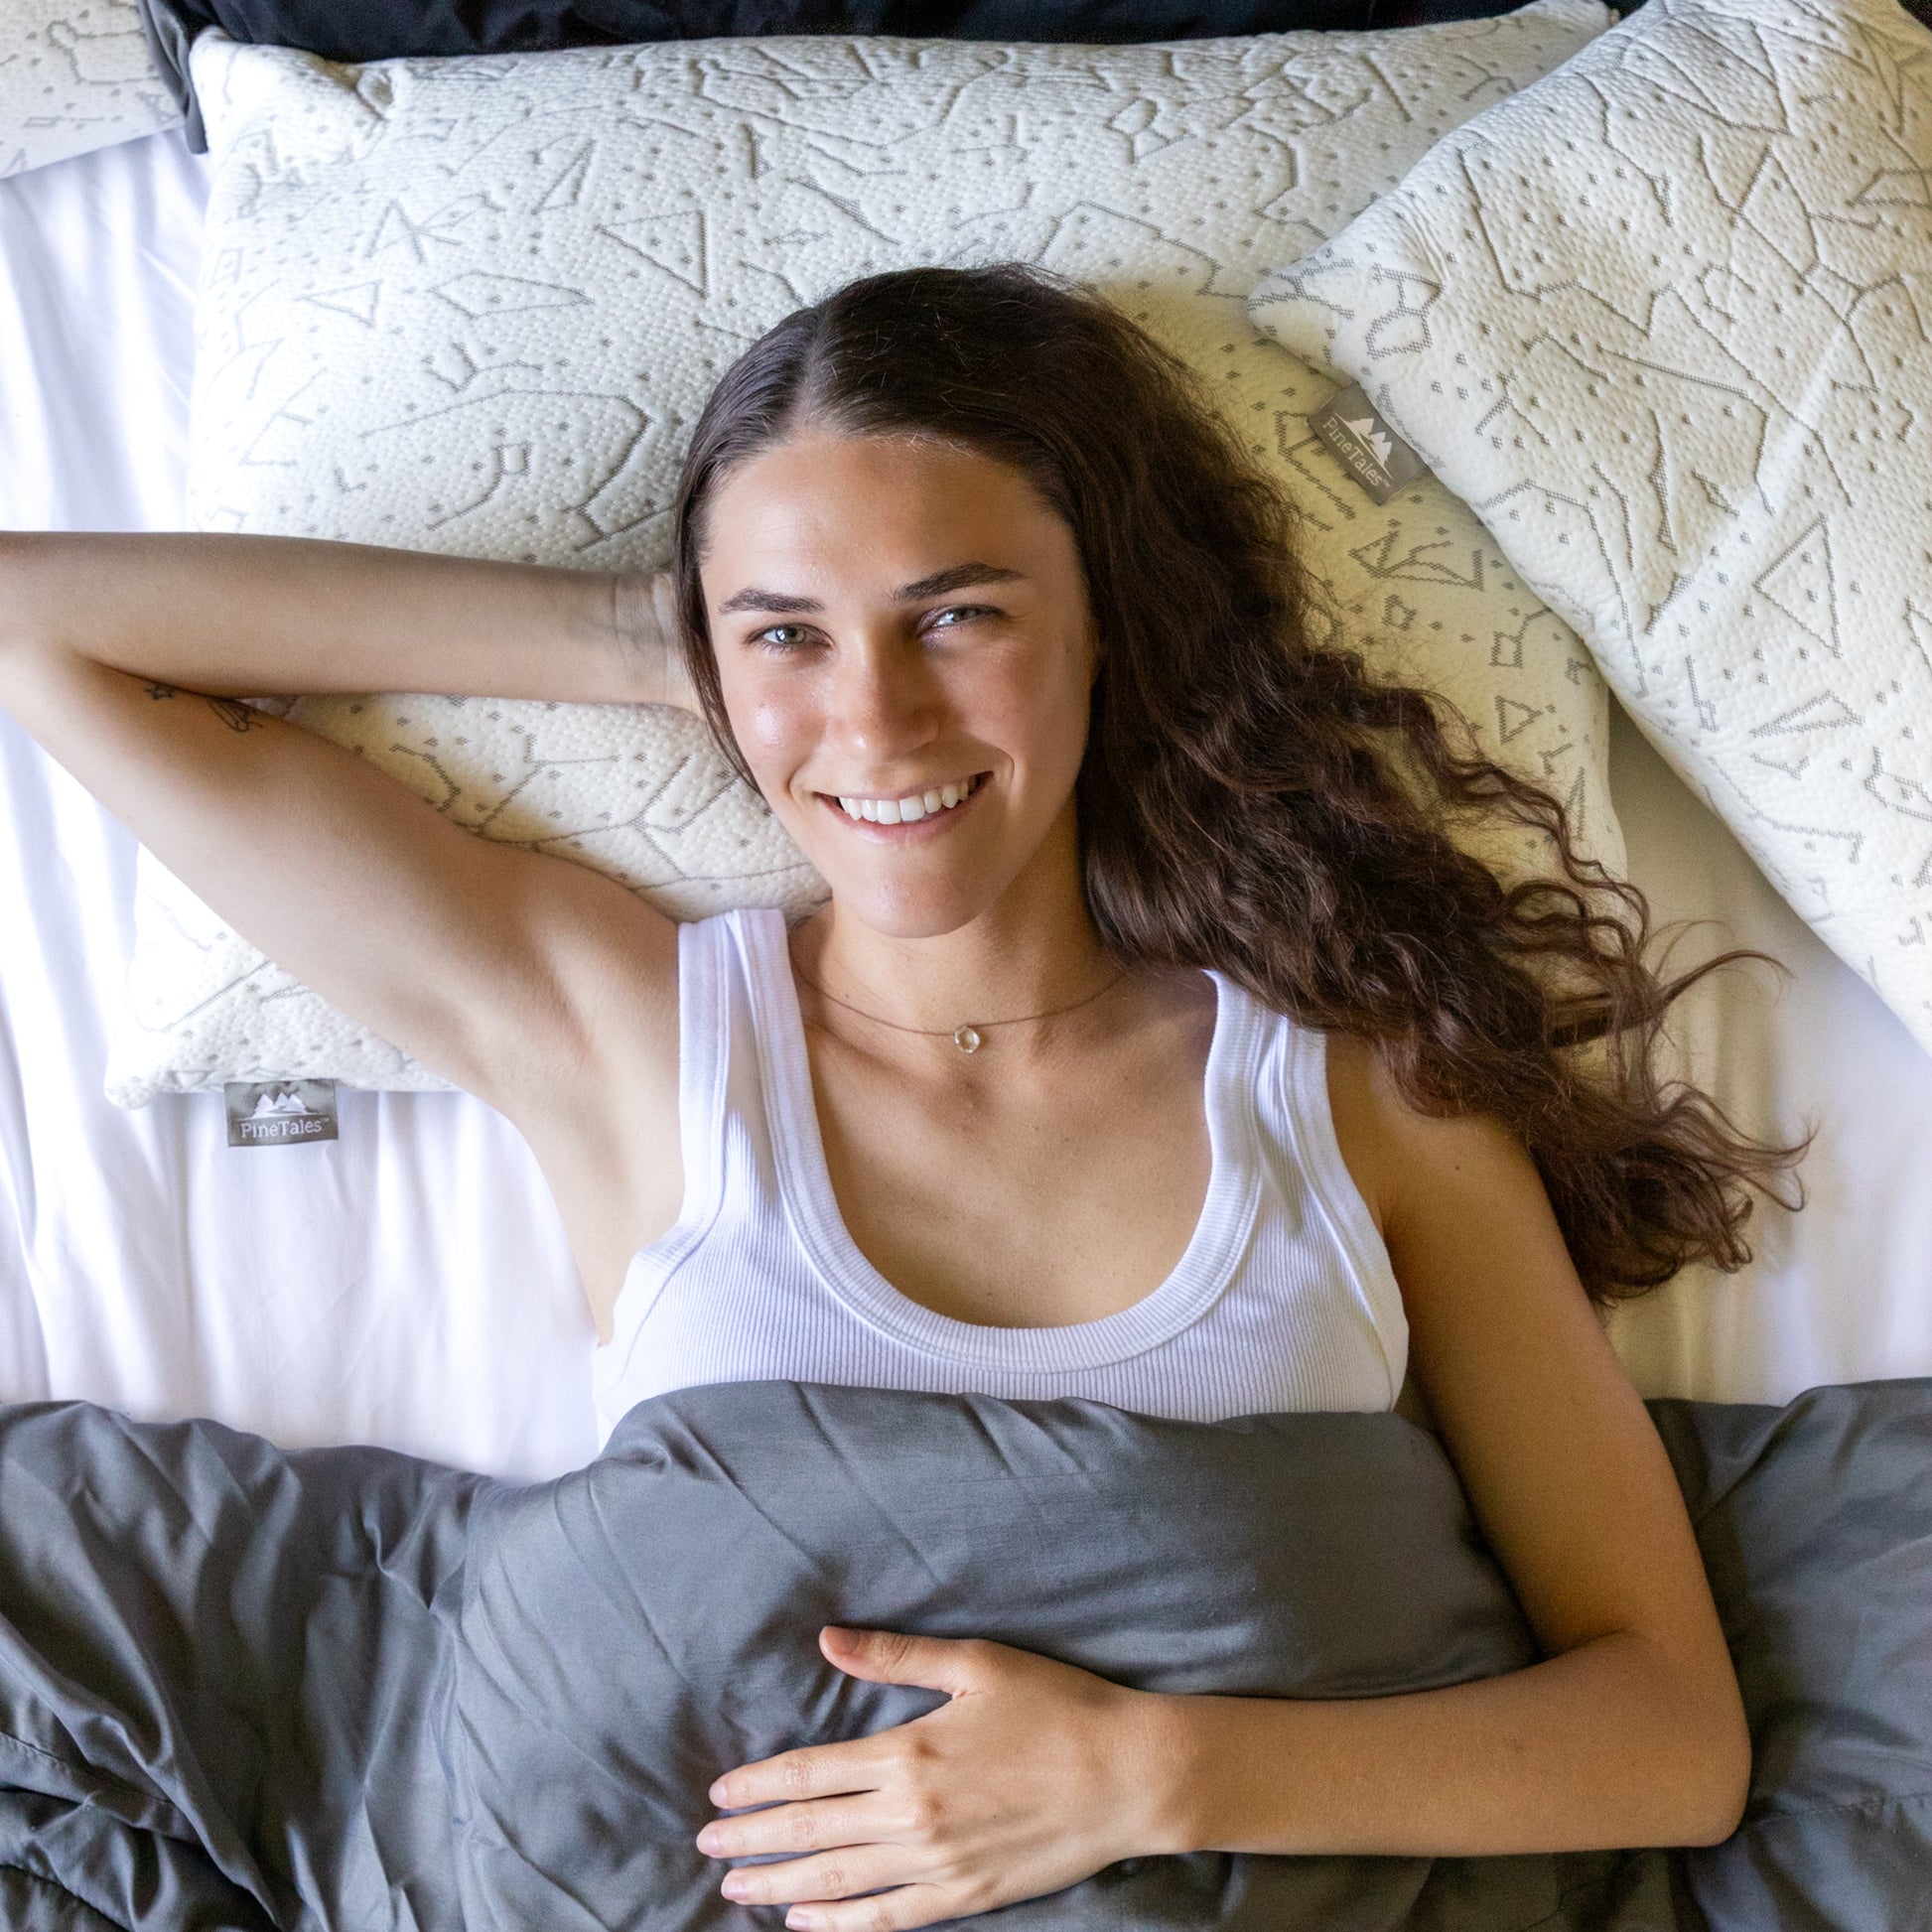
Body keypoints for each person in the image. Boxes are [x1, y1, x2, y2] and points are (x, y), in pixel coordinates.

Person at [0, 263, 1796, 1932]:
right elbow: (40, 621)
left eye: (953, 615)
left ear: (1108, 621)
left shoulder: (1358, 1098)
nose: (875, 721)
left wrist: (1143, 1771)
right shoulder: (627, 1028)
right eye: (793, 636)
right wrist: (673, 642)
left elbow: (1669, 1732)